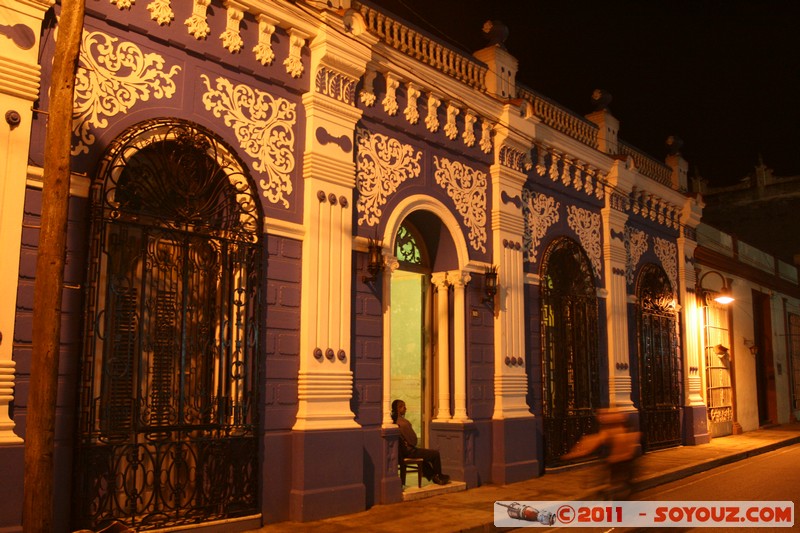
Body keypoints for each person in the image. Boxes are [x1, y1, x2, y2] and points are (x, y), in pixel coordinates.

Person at [561, 408, 641, 500]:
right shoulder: (614, 429)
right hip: (618, 461)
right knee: (610, 478)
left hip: (622, 461)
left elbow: (595, 442)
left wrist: (574, 454)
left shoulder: (617, 430)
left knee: (613, 480)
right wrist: (575, 452)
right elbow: (593, 441)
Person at [391, 399, 450, 485]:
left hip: (400, 453)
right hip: (408, 452)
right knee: (435, 454)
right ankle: (438, 476)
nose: (406, 408)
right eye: (404, 407)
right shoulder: (403, 423)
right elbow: (413, 441)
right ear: (399, 408)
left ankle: (433, 476)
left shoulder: (392, 421)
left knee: (424, 458)